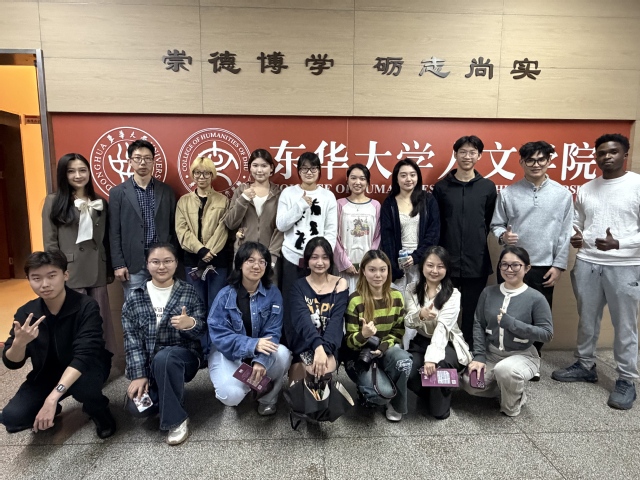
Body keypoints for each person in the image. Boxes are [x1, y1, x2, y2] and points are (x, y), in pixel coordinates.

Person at [552, 133, 640, 410]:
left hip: (625, 265)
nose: (607, 157)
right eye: (601, 153)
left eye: (613, 152)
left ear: (624, 154)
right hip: (587, 262)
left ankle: (626, 379)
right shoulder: (587, 188)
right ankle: (585, 364)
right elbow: (578, 221)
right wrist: (575, 235)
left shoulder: (636, 185)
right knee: (587, 318)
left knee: (625, 324)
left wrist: (620, 243)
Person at [0, 250, 115, 438]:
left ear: (65, 275)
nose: (45, 284)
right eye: (36, 278)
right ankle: (52, 407)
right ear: (28, 280)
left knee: (84, 387)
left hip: (86, 369)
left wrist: (52, 398)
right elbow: (12, 363)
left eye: (52, 276)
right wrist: (19, 344)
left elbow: (85, 355)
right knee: (12, 419)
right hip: (47, 373)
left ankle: (98, 409)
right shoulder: (26, 312)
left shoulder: (86, 306)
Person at [490, 141, 572, 379]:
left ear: (549, 161)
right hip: (511, 264)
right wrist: (503, 236)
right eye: (530, 160)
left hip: (544, 265)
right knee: (508, 311)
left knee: (538, 315)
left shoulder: (562, 194)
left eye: (541, 159)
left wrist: (559, 265)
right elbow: (496, 224)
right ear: (521, 162)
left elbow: (566, 233)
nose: (536, 164)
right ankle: (507, 354)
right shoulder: (508, 193)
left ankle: (533, 359)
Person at [122, 243, 205, 445]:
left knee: (165, 358)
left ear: (176, 263)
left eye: (167, 261)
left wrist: (190, 324)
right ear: (147, 264)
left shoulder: (188, 291)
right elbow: (131, 340)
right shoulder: (135, 297)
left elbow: (202, 328)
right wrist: (139, 375)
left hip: (185, 357)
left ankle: (176, 420)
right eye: (155, 262)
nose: (161, 266)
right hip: (151, 366)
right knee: (138, 408)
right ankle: (169, 396)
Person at [462, 246, 553, 417]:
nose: (509, 269)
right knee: (470, 384)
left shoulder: (536, 298)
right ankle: (507, 386)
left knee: (506, 371)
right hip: (492, 354)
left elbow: (546, 334)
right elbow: (478, 324)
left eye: (515, 265)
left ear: (527, 268)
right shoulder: (488, 292)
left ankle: (515, 398)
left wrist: (513, 324)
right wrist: (479, 356)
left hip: (523, 354)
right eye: (504, 264)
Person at [42, 153, 117, 356]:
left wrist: (109, 267)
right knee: (74, 321)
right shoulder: (53, 201)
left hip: (97, 268)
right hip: (70, 270)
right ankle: (76, 365)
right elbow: (50, 242)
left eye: (82, 170)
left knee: (100, 319)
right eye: (71, 171)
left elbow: (105, 240)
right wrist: (55, 273)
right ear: (63, 174)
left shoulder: (100, 201)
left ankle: (104, 364)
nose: (78, 175)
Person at [207, 242, 291, 415]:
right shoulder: (225, 295)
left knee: (283, 354)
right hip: (229, 354)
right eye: (250, 260)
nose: (256, 266)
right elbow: (219, 336)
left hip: (260, 352)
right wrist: (252, 344)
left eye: (262, 261)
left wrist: (261, 361)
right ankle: (254, 384)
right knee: (230, 396)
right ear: (240, 264)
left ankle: (267, 399)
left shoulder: (273, 293)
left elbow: (273, 331)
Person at [433, 136, 497, 349]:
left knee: (472, 312)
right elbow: (437, 223)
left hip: (476, 260)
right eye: (462, 152)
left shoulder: (487, 187)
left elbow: (488, 221)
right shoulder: (441, 188)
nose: (467, 156)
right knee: (444, 310)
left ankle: (470, 350)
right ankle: (444, 351)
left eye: (472, 152)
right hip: (446, 262)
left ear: (479, 155)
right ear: (455, 154)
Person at [342, 250, 411, 422]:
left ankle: (396, 405)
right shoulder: (355, 300)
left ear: (388, 271)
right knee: (380, 395)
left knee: (404, 361)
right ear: (363, 271)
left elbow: (398, 331)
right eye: (372, 270)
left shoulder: (396, 297)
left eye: (382, 269)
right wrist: (363, 335)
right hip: (359, 357)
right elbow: (349, 343)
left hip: (384, 351)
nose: (378, 275)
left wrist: (382, 347)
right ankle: (368, 391)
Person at [404, 246, 472, 420]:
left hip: (447, 343)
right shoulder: (411, 289)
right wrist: (420, 315)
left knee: (438, 411)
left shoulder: (453, 294)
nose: (434, 270)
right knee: (407, 369)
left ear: (447, 269)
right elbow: (408, 321)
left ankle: (441, 392)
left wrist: (431, 359)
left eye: (440, 266)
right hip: (421, 341)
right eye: (430, 265)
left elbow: (442, 329)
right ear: (422, 266)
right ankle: (432, 390)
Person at [380, 158, 440, 349]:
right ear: (396, 178)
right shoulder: (389, 203)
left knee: (420, 305)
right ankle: (397, 348)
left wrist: (416, 257)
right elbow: (387, 237)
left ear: (418, 177)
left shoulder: (428, 200)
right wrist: (394, 266)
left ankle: (417, 348)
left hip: (422, 263)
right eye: (403, 175)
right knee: (397, 306)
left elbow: (433, 233)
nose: (408, 179)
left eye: (412, 175)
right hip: (397, 266)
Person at [109, 139, 177, 298]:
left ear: (153, 161)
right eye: (138, 158)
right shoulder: (118, 193)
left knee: (163, 303)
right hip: (133, 263)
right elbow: (114, 232)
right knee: (135, 306)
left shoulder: (166, 191)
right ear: (130, 162)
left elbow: (173, 227)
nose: (143, 162)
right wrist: (118, 264)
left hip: (161, 261)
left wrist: (172, 258)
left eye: (147, 158)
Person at [276, 152, 338, 323]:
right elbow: (281, 225)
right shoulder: (288, 193)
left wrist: (324, 258)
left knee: (319, 306)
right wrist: (300, 205)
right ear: (298, 171)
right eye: (304, 168)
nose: (309, 172)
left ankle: (317, 338)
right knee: (291, 304)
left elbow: (331, 231)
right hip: (292, 258)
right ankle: (291, 339)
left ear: (319, 171)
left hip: (319, 262)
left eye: (313, 168)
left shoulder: (328, 196)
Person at [286, 237, 348, 382]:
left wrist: (323, 351)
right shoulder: (298, 286)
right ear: (307, 260)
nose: (320, 262)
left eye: (325, 258)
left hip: (329, 346)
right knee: (298, 388)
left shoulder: (340, 284)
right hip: (305, 345)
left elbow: (336, 322)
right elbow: (302, 321)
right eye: (314, 257)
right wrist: (317, 347)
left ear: (330, 260)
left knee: (320, 374)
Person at [176, 156, 230, 310]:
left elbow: (223, 229)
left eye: (206, 173)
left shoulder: (223, 200)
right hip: (193, 261)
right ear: (193, 175)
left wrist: (209, 252)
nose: (202, 177)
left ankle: (214, 329)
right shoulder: (184, 201)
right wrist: (200, 250)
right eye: (197, 173)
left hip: (217, 260)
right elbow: (182, 230)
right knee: (196, 306)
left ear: (212, 175)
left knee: (217, 306)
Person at [224, 149, 284, 286]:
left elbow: (280, 228)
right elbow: (230, 223)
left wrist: (272, 256)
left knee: (268, 293)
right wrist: (243, 199)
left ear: (271, 168)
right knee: (242, 292)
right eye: (255, 165)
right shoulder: (241, 191)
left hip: (269, 255)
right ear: (250, 168)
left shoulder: (279, 194)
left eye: (264, 166)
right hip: (243, 254)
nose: (259, 170)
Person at [335, 164, 381, 292]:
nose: (357, 182)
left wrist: (368, 262)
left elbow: (377, 237)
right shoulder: (339, 204)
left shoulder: (375, 205)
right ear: (347, 180)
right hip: (344, 267)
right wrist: (345, 263)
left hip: (368, 267)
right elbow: (334, 237)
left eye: (362, 178)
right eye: (353, 178)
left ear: (368, 182)